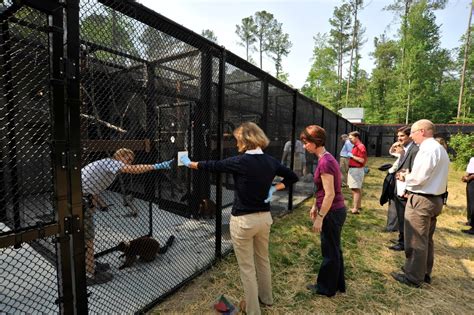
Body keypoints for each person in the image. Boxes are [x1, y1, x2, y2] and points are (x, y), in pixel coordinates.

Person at [180, 122, 298, 315]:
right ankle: (266, 299)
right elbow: (292, 177)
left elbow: (212, 166)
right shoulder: (270, 161)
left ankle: (253, 311)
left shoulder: (240, 161)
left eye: (237, 140)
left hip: (244, 221)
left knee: (247, 268)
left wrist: (188, 163)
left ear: (244, 140)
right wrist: (274, 188)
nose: (236, 144)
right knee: (263, 259)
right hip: (264, 219)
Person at [81, 148, 173, 285]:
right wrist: (158, 166)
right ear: (119, 156)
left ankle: (89, 263)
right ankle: (89, 273)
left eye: (131, 161)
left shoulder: (109, 167)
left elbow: (93, 187)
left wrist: (98, 204)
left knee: (85, 237)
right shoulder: (111, 162)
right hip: (79, 199)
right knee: (88, 239)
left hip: (82, 197)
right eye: (128, 159)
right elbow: (134, 169)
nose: (130, 163)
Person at [391, 119, 449, 287]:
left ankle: (413, 277)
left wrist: (404, 177)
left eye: (413, 133)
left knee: (415, 239)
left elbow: (419, 178)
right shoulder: (439, 149)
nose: (412, 136)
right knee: (426, 240)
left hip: (422, 199)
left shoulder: (427, 150)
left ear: (422, 131)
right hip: (435, 198)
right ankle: (423, 272)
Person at [300, 125, 347, 297]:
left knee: (329, 251)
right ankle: (338, 284)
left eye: (306, 142)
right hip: (332, 210)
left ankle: (326, 289)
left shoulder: (326, 162)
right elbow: (320, 190)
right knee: (334, 249)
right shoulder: (324, 158)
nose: (304, 146)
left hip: (332, 212)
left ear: (315, 142)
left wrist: (320, 217)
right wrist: (314, 205)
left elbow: (330, 194)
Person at [389, 126, 419, 252]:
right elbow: (392, 153)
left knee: (404, 216)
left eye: (402, 136)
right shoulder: (405, 149)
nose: (399, 138)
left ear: (409, 136)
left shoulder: (414, 150)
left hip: (405, 188)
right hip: (400, 186)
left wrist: (408, 190)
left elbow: (413, 170)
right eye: (398, 136)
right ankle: (402, 238)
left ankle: (404, 242)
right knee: (401, 216)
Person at [347, 131, 367, 214]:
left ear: (356, 137)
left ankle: (355, 209)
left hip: (356, 170)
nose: (350, 140)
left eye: (351, 138)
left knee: (355, 189)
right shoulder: (356, 146)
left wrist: (352, 156)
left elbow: (362, 160)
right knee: (356, 188)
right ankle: (358, 206)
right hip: (354, 169)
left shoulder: (360, 146)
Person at [461, 157, 474, 235]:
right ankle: (471, 221)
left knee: (473, 203)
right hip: (471, 181)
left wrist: (468, 178)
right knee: (470, 202)